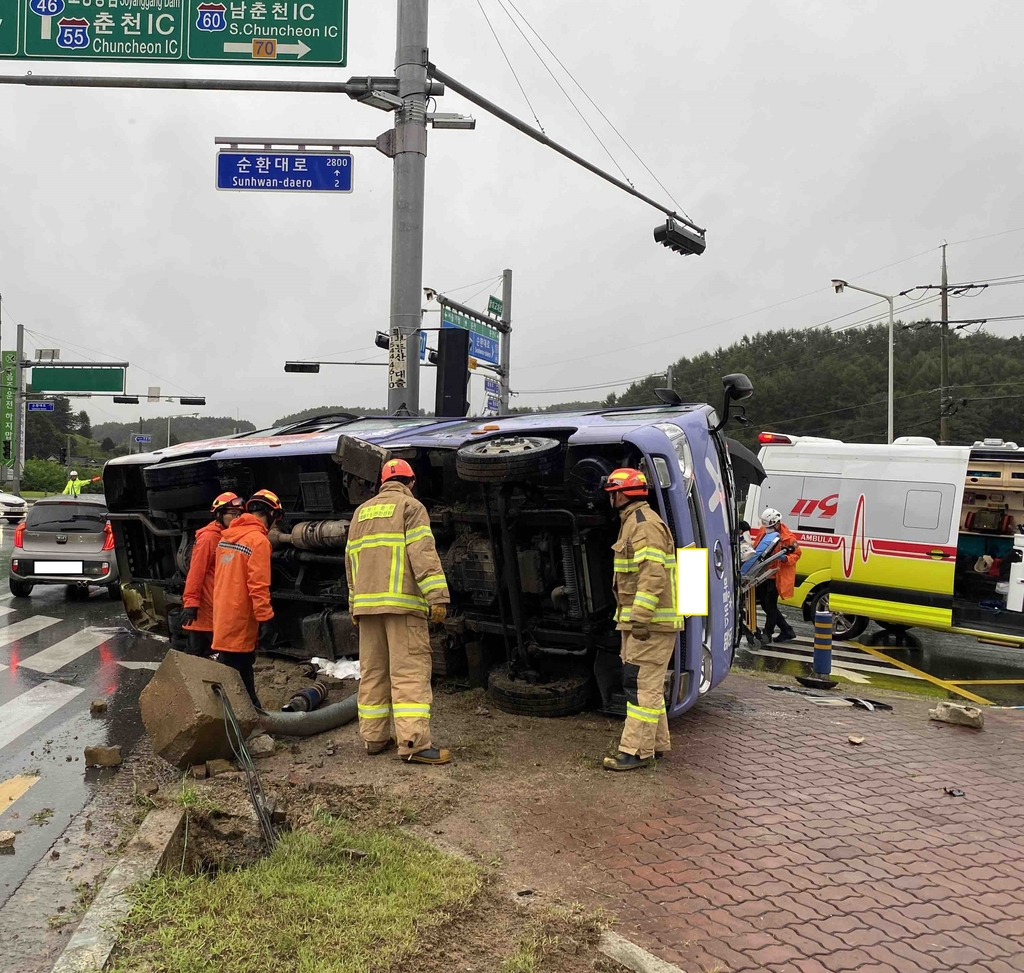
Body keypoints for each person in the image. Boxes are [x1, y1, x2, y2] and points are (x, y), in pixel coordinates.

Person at [345, 458, 451, 765]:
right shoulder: (411, 508)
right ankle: (413, 744)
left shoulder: (360, 513)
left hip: (367, 608)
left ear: (381, 484)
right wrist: (437, 596)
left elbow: (351, 564)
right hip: (402, 607)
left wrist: (354, 605)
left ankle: (374, 738)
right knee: (409, 673)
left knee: (373, 673)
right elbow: (423, 554)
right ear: (412, 482)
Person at [601, 468, 683, 772]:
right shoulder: (637, 523)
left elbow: (652, 575)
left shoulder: (643, 526)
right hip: (647, 623)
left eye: (612, 493)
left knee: (638, 686)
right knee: (647, 685)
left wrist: (640, 617)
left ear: (621, 494)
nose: (610, 498)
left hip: (649, 625)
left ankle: (636, 751)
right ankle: (655, 745)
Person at [211, 488, 281, 707]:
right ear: (270, 514)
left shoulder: (227, 537)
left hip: (223, 613)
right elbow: (258, 586)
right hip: (241, 616)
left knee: (233, 665)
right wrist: (266, 618)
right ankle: (251, 720)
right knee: (240, 672)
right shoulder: (258, 541)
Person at [179, 492, 244, 658]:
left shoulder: (229, 536)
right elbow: (196, 572)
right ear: (219, 514)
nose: (236, 518)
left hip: (218, 608)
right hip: (205, 609)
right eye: (232, 514)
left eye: (239, 514)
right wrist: (191, 603)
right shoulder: (209, 538)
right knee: (197, 656)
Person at [752, 507, 801, 644]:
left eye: (771, 526)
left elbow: (796, 554)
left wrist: (786, 558)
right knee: (764, 604)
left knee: (770, 604)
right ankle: (786, 630)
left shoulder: (788, 539)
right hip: (763, 574)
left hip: (777, 576)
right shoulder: (764, 530)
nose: (768, 529)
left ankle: (768, 633)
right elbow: (757, 547)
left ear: (777, 523)